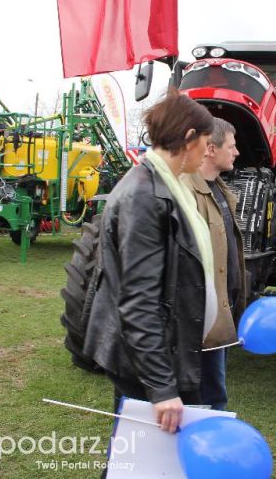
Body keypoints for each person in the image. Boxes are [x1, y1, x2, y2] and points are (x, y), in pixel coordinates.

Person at [82, 89, 216, 434]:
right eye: (205, 142)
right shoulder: (144, 196)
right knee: (142, 462)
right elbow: (138, 299)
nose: (207, 151)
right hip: (151, 363)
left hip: (168, 349)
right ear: (188, 139)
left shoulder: (167, 184)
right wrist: (161, 387)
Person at [181, 117, 246, 411]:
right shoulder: (186, 192)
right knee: (204, 395)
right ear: (210, 148)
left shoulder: (219, 189)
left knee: (214, 390)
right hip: (199, 317)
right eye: (231, 146)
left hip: (220, 309)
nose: (236, 152)